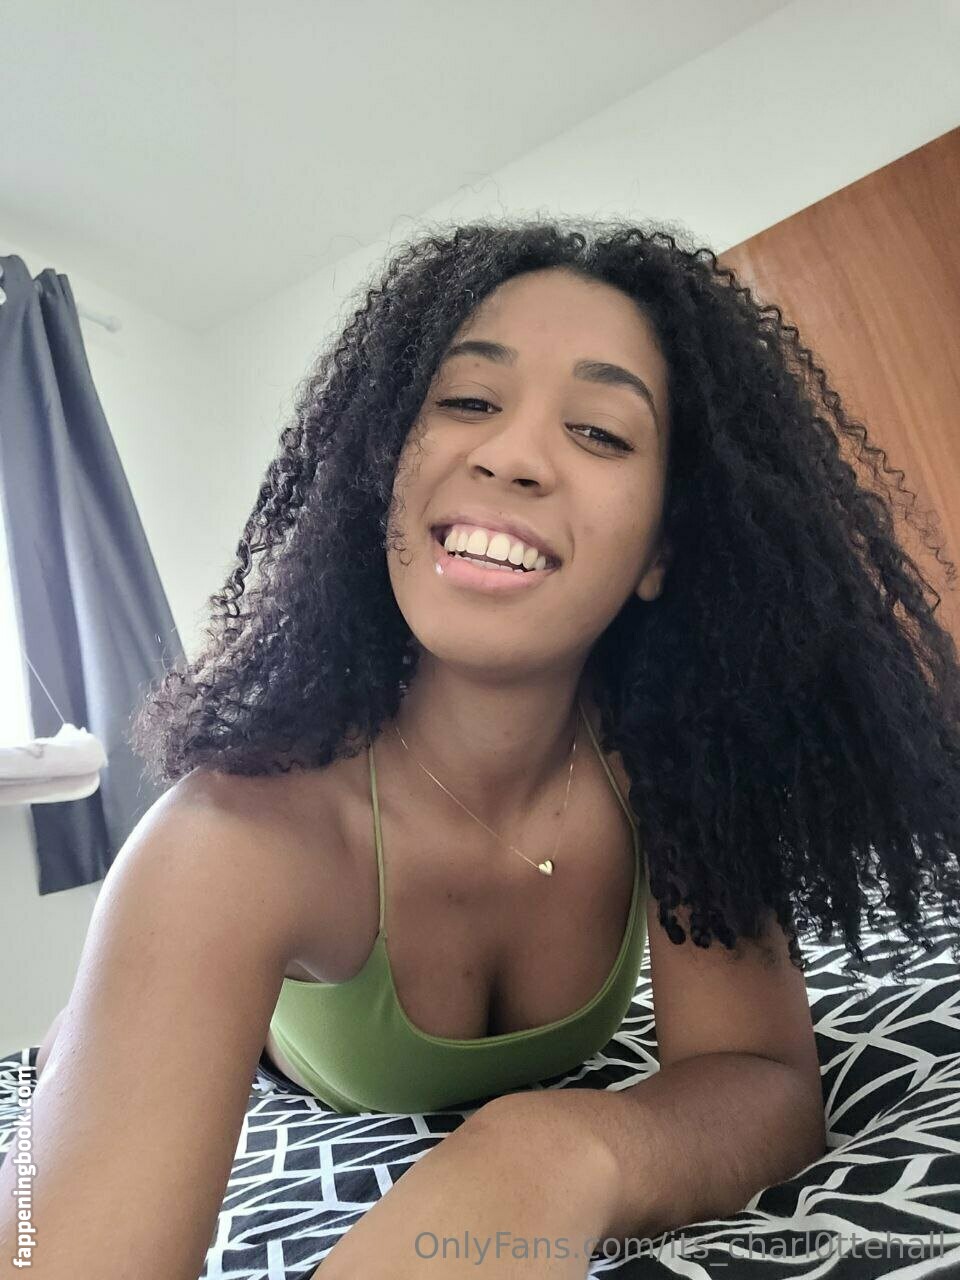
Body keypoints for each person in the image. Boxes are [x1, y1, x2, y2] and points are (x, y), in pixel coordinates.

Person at [4, 218, 960, 1280]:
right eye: (467, 401)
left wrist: (549, 1151)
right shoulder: (229, 838)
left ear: (662, 550)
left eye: (600, 431)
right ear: (385, 476)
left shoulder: (682, 774)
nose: (510, 455)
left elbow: (761, 1075)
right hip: (272, 1048)